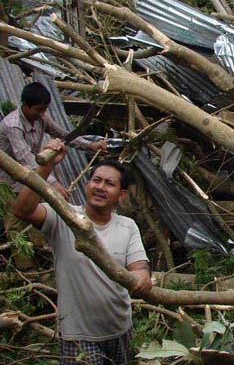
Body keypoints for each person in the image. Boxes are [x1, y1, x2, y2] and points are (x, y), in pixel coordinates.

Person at [12, 139, 152, 364]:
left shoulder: (127, 226)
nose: (100, 187)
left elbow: (139, 267)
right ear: (86, 185)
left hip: (120, 330)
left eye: (109, 183)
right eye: (96, 180)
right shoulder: (64, 216)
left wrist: (142, 278)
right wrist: (45, 167)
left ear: (122, 194)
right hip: (78, 336)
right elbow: (22, 210)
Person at [0, 82, 107, 270]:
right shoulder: (12, 126)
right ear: (25, 105)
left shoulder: (41, 118)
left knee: (37, 216)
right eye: (38, 109)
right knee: (15, 225)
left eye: (45, 109)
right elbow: (26, 159)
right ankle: (27, 270)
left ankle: (43, 257)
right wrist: (53, 183)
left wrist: (90, 145)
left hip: (34, 177)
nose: (42, 113)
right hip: (9, 181)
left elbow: (64, 135)